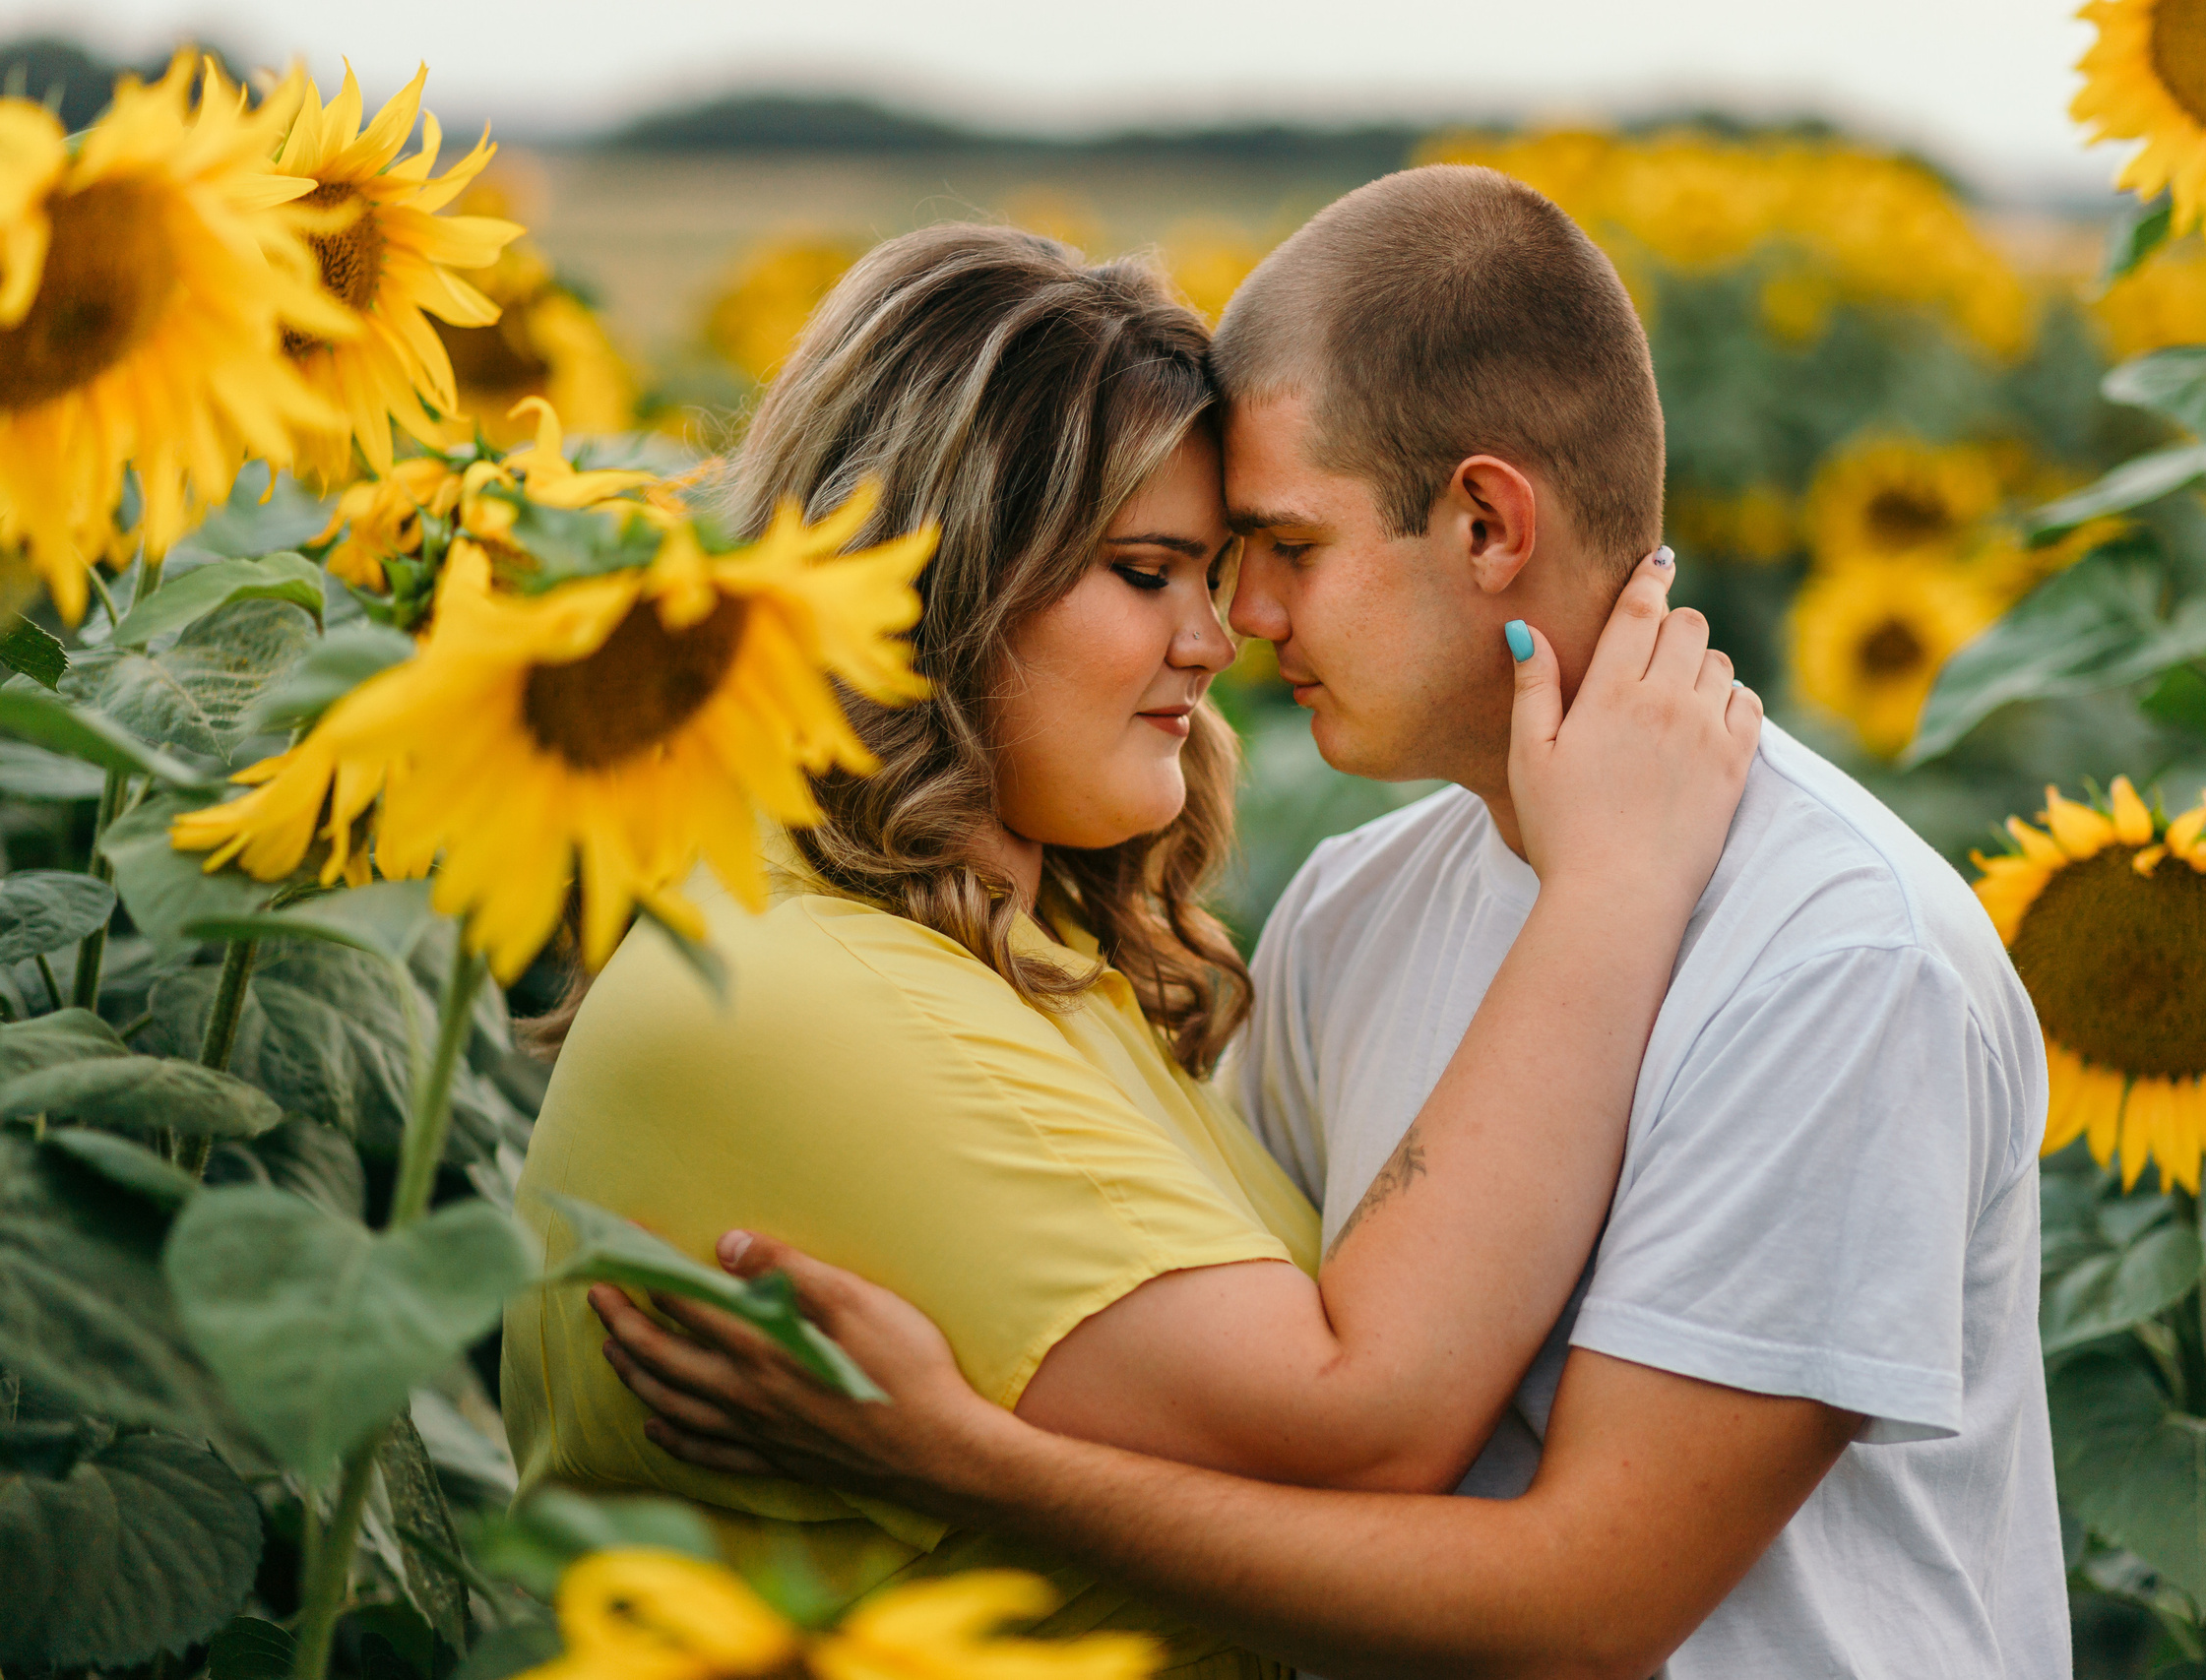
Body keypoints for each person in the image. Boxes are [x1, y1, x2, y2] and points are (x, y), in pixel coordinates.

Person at [595, 166, 2071, 1679]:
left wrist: (972, 1464)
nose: (1242, 627)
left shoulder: (1834, 958)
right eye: (1182, 566)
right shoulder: (1350, 913)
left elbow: (1592, 1610)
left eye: (1285, 549)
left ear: (1489, 523)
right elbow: (1284, 1431)